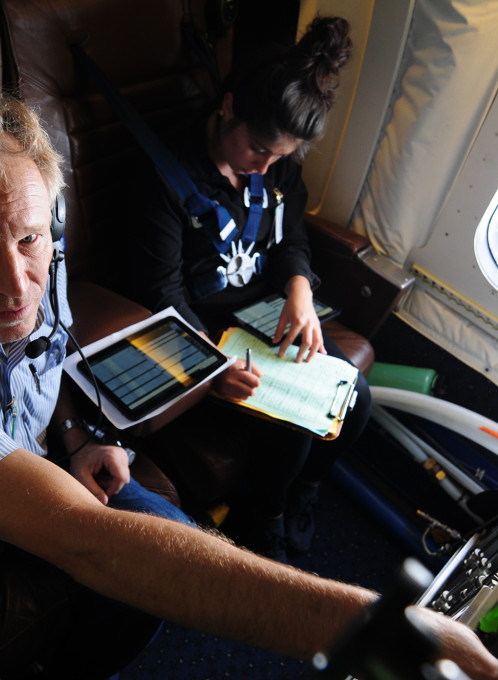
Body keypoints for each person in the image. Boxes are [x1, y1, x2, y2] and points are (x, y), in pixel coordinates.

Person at [0, 83, 498, 680]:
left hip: (45, 460)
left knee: (167, 550)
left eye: (29, 239)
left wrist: (77, 436)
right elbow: (80, 535)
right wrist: (386, 629)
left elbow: (37, 366)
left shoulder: (29, 262)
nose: (17, 285)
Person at [122, 15, 371, 562]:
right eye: (261, 149)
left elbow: (291, 238)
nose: (267, 166)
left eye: (282, 156)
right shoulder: (163, 176)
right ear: (228, 106)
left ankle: (303, 491)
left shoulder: (275, 168)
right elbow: (161, 292)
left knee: (354, 398)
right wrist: (210, 366)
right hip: (202, 321)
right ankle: (264, 515)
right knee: (292, 427)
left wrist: (300, 290)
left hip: (260, 309)